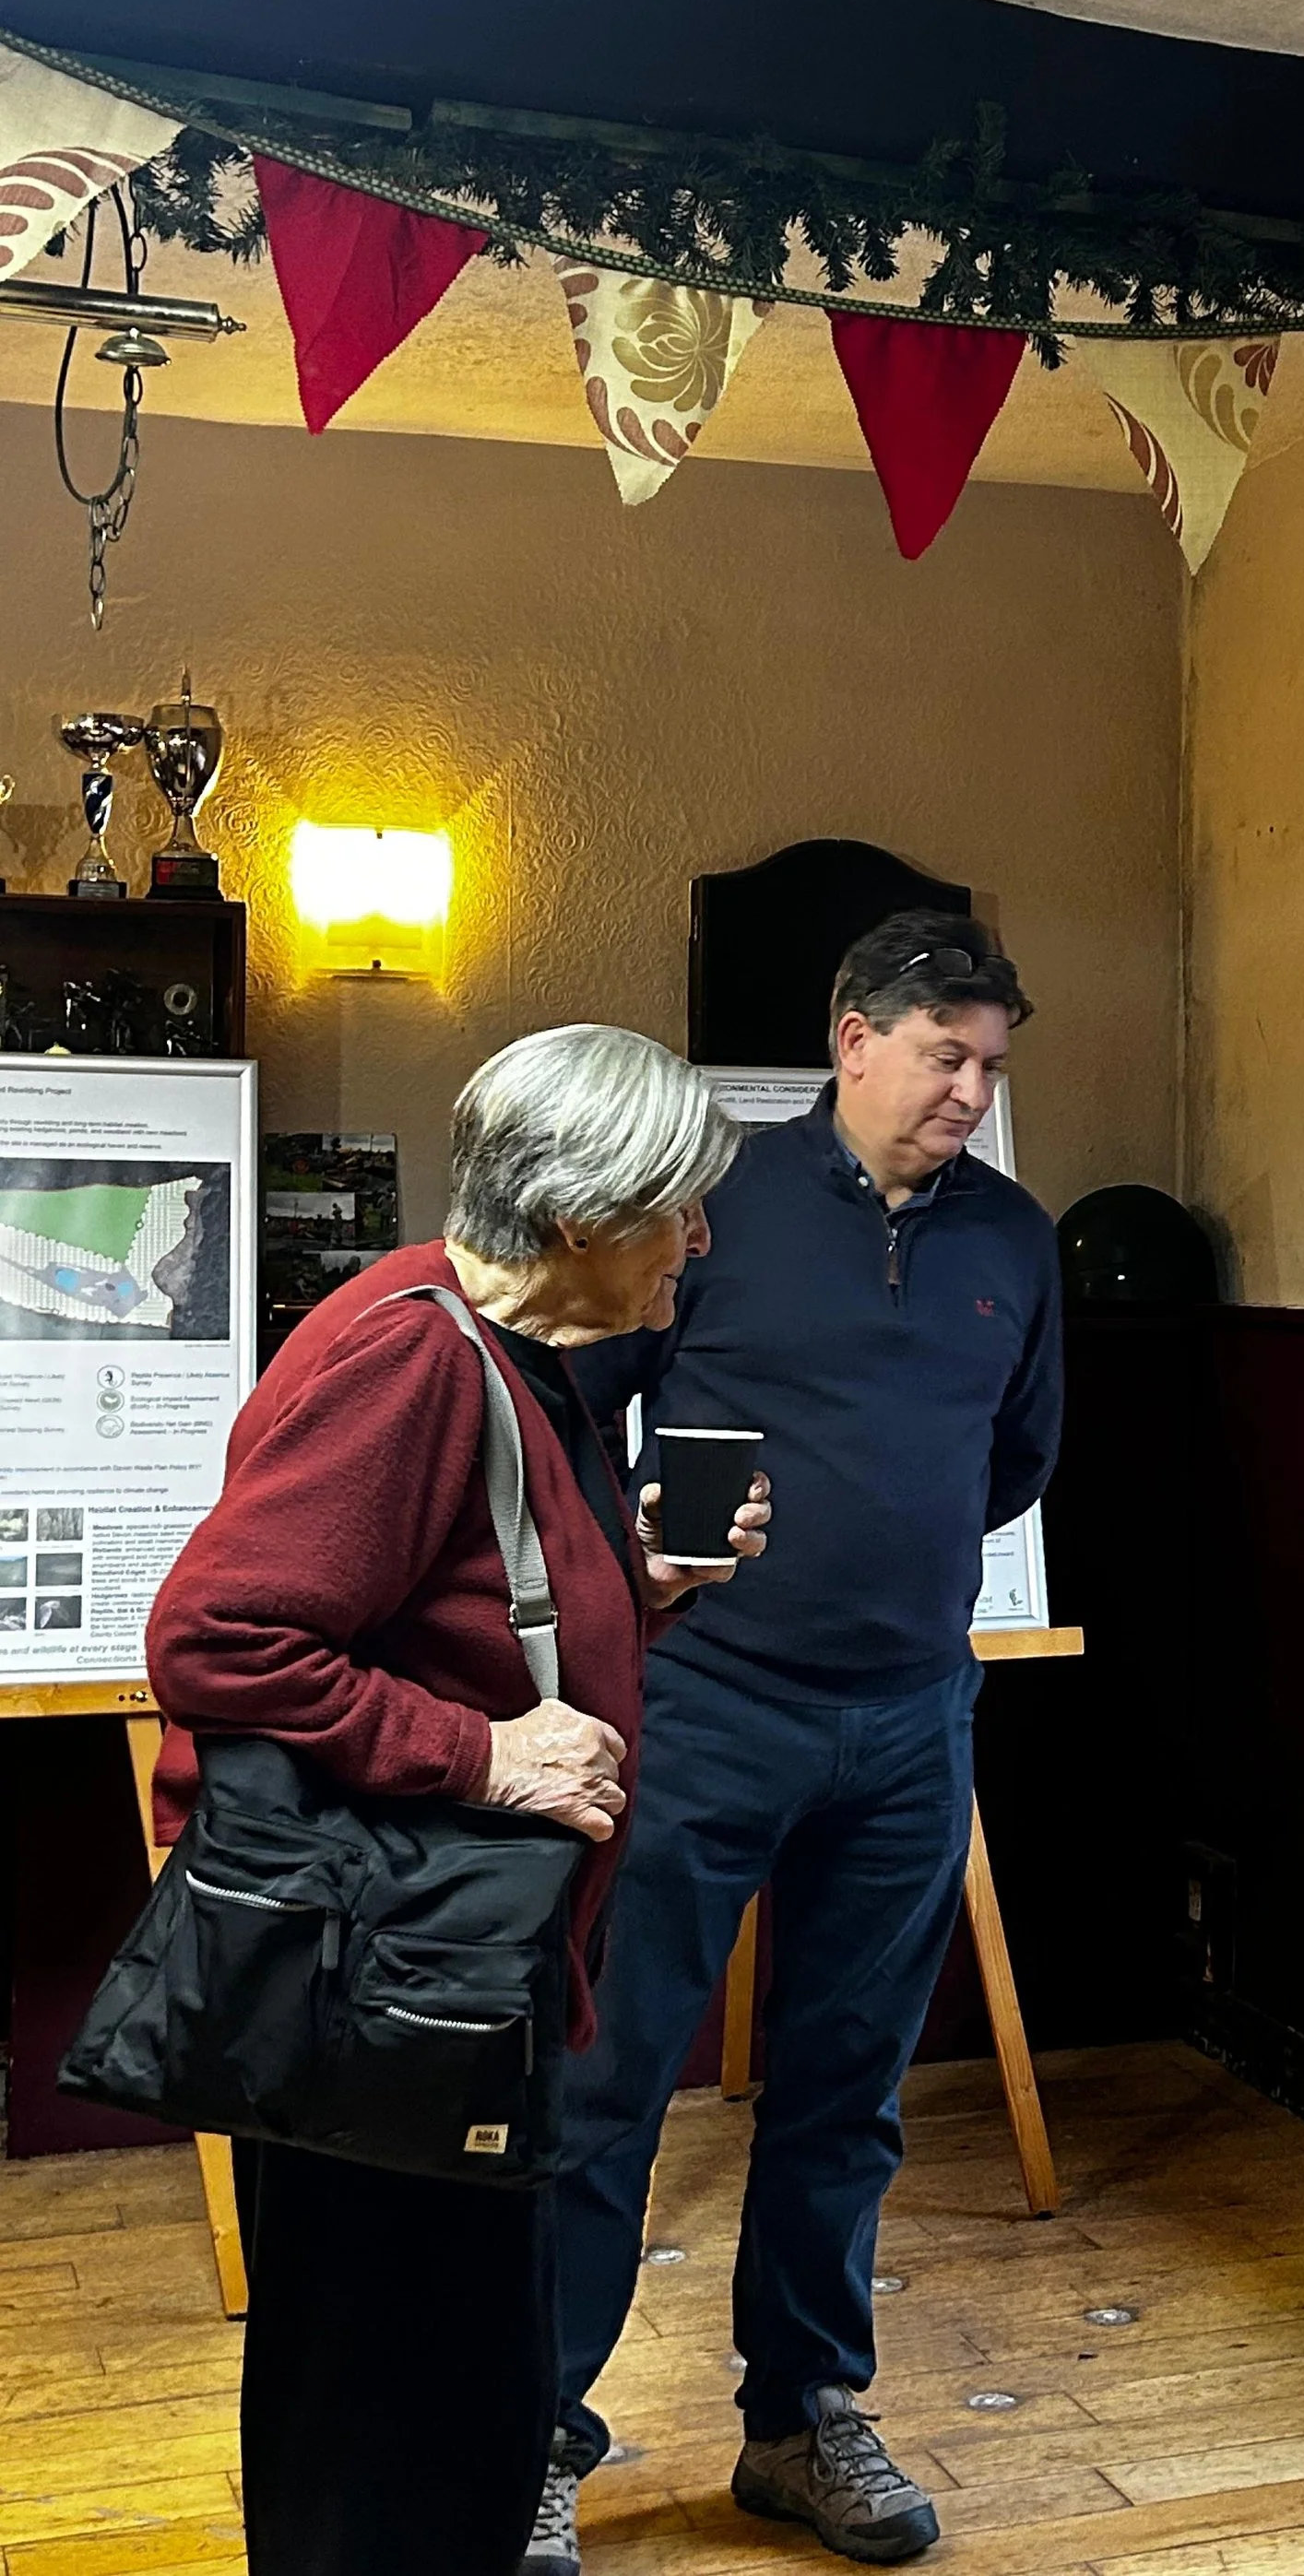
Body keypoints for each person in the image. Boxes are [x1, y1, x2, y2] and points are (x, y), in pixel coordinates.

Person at [143, 1025, 767, 2576]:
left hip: (451, 1979)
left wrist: (640, 1585)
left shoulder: (505, 1347)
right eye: (677, 1206)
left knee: (454, 2402)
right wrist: (484, 1756)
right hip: (385, 1989)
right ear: (577, 1217)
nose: (699, 1239)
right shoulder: (413, 1356)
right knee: (386, 2423)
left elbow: (463, 1598)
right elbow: (216, 1638)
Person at [532, 914, 1062, 2573]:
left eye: (991, 1066)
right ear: (852, 1038)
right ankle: (534, 2431)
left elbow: (1014, 1463)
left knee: (848, 2091)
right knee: (609, 2073)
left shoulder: (1017, 1243)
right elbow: (564, 1407)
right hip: (706, 1707)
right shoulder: (711, 1210)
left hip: (912, 1720)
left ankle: (803, 2416)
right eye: (943, 1056)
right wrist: (635, 1560)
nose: (971, 1092)